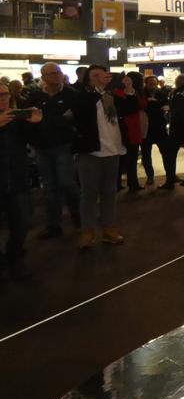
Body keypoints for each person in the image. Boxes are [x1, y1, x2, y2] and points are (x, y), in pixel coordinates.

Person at [25, 62, 81, 238]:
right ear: (43, 77)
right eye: (52, 73)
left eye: (58, 72)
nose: (57, 75)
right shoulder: (35, 97)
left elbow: (75, 119)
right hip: (42, 147)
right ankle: (53, 225)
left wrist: (46, 121)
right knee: (49, 188)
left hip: (64, 146)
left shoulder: (72, 95)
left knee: (67, 183)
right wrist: (60, 119)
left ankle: (79, 218)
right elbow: (29, 120)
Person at [72, 65, 125, 249]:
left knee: (109, 192)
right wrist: (97, 90)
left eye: (103, 75)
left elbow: (129, 107)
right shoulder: (82, 97)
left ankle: (108, 228)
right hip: (91, 152)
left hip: (113, 151)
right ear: (87, 79)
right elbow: (81, 111)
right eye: (95, 75)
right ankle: (87, 231)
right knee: (88, 194)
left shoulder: (112, 96)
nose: (100, 78)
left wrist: (121, 86)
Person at [0, 85, 42, 281]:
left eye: (5, 94)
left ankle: (15, 257)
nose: (3, 98)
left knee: (22, 222)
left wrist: (35, 123)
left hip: (17, 180)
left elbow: (36, 142)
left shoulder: (16, 118)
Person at [115, 74, 147, 193]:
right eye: (125, 79)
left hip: (135, 127)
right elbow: (125, 109)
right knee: (123, 157)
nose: (126, 80)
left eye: (128, 79)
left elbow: (142, 105)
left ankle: (132, 183)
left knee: (132, 157)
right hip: (124, 127)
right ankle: (119, 184)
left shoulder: (137, 92)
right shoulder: (118, 93)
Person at [141, 76, 170, 188]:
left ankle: (170, 176)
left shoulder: (161, 93)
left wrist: (162, 106)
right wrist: (158, 105)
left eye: (154, 84)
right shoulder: (142, 94)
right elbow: (142, 107)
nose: (153, 86)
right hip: (146, 128)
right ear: (146, 84)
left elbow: (166, 105)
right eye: (150, 84)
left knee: (166, 153)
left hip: (160, 127)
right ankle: (150, 176)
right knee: (146, 154)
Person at [162, 75, 184, 189]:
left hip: (177, 129)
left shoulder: (178, 94)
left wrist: (169, 112)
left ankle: (170, 181)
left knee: (170, 154)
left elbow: (178, 113)